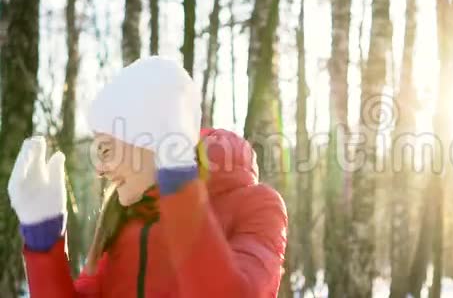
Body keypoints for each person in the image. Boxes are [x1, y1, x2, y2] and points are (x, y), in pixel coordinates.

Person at [7, 56, 288, 297]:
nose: (100, 169)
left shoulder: (256, 206)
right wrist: (43, 242)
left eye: (106, 149)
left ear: (148, 138)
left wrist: (180, 190)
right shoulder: (124, 218)